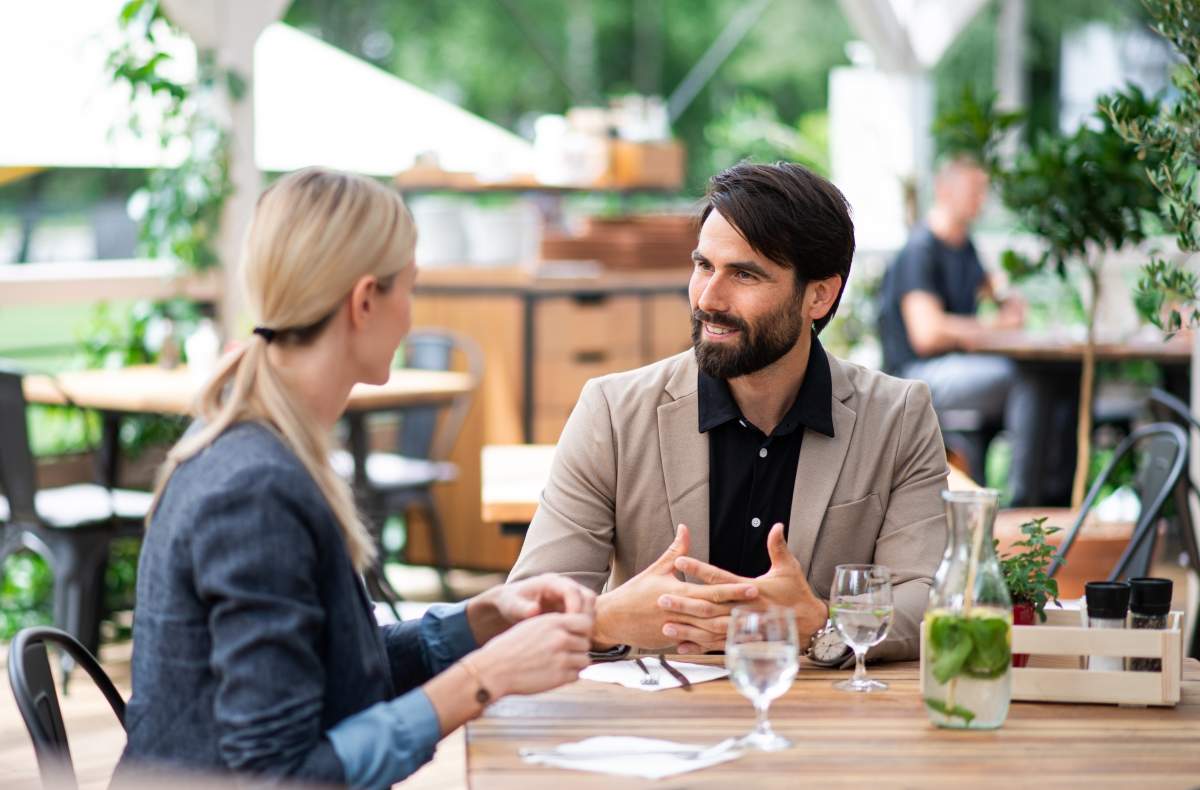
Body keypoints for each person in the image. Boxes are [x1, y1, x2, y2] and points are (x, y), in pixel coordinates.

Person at [116, 168, 595, 788]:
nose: (411, 315)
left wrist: (483, 620)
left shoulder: (259, 447)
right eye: (410, 290)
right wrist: (484, 677)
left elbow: (330, 669)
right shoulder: (255, 491)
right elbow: (285, 776)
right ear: (365, 301)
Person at [508, 162, 947, 664]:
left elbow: (929, 597)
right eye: (703, 266)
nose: (708, 299)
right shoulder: (611, 411)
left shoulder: (898, 416)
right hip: (653, 726)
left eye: (744, 274)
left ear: (819, 296)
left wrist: (821, 622)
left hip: (819, 725)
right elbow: (530, 605)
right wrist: (607, 619)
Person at [877, 155, 1074, 506]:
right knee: (1027, 379)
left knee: (1062, 374)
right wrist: (994, 326)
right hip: (916, 378)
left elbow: (993, 289)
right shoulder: (920, 249)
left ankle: (1058, 499)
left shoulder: (964, 246)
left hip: (961, 369)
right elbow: (927, 334)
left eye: (983, 192)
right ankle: (1024, 506)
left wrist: (1005, 297)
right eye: (974, 190)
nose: (981, 200)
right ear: (944, 190)